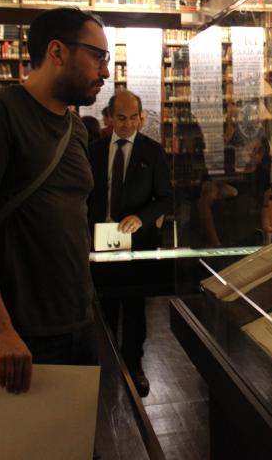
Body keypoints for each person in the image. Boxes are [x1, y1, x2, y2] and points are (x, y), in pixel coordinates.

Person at [0, 6, 109, 394]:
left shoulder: (75, 128)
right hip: (22, 333)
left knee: (75, 432)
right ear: (57, 52)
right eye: (98, 56)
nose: (105, 72)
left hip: (77, 321)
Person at [87, 89, 172, 396]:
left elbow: (165, 199)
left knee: (135, 308)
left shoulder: (153, 151)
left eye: (133, 118)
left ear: (141, 118)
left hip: (138, 243)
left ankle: (134, 366)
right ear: (109, 118)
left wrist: (141, 217)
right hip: (101, 240)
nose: (127, 124)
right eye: (121, 118)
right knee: (104, 307)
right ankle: (108, 366)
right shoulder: (94, 151)